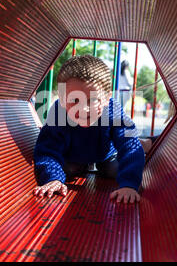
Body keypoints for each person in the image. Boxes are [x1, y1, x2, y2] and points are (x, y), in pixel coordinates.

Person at [33, 55, 144, 204]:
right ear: (62, 97)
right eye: (74, 100)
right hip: (73, 157)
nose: (84, 109)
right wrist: (53, 178)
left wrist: (130, 185)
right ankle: (81, 166)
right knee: (68, 170)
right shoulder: (59, 112)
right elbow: (47, 150)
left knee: (114, 170)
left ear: (106, 98)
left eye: (92, 100)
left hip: (106, 155)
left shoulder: (112, 109)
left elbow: (130, 145)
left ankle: (146, 144)